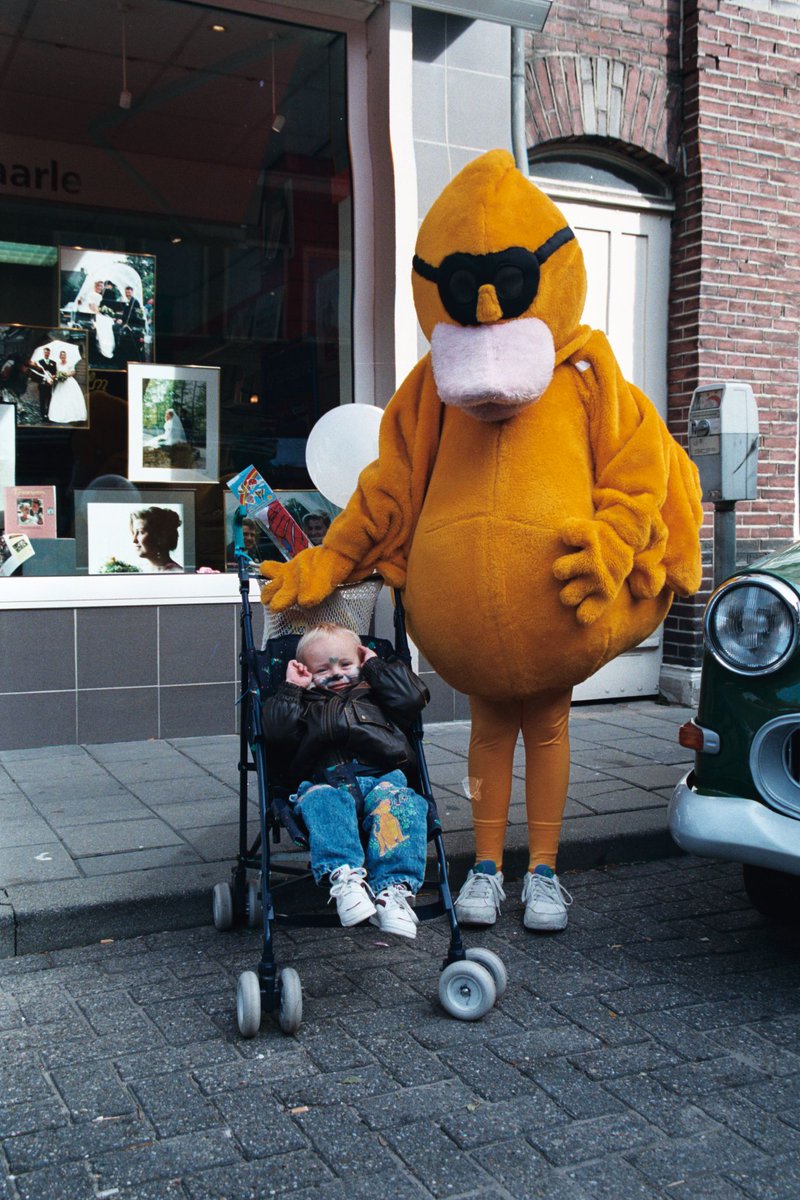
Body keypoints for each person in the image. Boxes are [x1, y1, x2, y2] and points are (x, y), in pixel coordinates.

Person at [260, 622, 430, 939]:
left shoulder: (376, 694)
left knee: (403, 803)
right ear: (306, 672)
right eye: (323, 669)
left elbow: (413, 698)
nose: (336, 674)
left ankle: (392, 891)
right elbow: (276, 733)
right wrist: (292, 689)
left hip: (382, 779)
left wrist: (375, 667)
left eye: (346, 664)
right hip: (324, 782)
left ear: (360, 662)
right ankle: (346, 879)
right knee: (323, 799)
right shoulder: (303, 704)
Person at [129, 506, 182, 572]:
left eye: (141, 532)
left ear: (160, 536)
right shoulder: (140, 570)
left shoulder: (175, 572)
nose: (134, 540)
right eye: (134, 532)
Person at [48, 351, 87, 424]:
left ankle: (73, 415)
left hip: (69, 382)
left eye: (64, 355)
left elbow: (73, 372)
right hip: (61, 383)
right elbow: (56, 373)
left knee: (71, 398)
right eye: (62, 355)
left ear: (66, 356)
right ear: (60, 356)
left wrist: (65, 375)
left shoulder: (70, 363)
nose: (63, 356)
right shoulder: (57, 364)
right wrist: (57, 376)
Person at [115, 286, 145, 362]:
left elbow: (138, 315)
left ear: (132, 292)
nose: (127, 294)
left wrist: (127, 323)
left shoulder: (136, 302)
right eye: (126, 292)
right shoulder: (125, 301)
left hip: (132, 325)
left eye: (129, 292)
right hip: (125, 324)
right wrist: (120, 320)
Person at [31, 346, 57, 421]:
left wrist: (53, 377)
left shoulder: (53, 362)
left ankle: (48, 414)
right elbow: (37, 373)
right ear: (43, 353)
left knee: (49, 400)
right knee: (42, 400)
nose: (46, 354)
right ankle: (42, 415)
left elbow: (55, 372)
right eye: (45, 352)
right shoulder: (39, 362)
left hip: (50, 384)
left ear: (49, 353)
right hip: (42, 384)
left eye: (48, 352)